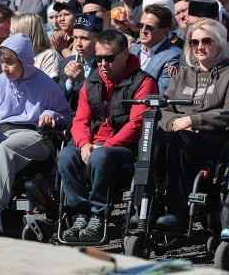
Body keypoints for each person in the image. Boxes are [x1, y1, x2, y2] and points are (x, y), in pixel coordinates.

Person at [0, 33, 72, 233]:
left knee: (7, 149)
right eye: (2, 62)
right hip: (1, 132)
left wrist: (51, 114)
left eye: (9, 63)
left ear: (24, 61)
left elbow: (66, 115)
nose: (4, 68)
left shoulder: (46, 84)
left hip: (35, 135)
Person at [57, 30, 158, 242]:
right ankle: (81, 213)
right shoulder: (91, 82)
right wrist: (84, 144)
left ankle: (98, 214)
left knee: (100, 156)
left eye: (109, 58)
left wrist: (105, 146)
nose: (103, 64)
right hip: (93, 145)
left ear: (125, 53)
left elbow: (137, 124)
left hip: (126, 148)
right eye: (99, 58)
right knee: (66, 155)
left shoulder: (143, 82)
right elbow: (80, 120)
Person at [154, 18, 229, 231]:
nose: (199, 47)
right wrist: (175, 123)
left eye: (206, 41)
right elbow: (164, 109)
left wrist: (193, 120)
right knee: (153, 140)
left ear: (219, 43)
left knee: (180, 141)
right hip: (181, 132)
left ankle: (176, 212)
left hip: (216, 137)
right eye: (194, 42)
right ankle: (147, 208)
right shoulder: (183, 75)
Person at [129, 4, 181, 94]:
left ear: (165, 31)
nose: (143, 31)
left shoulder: (174, 56)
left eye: (149, 27)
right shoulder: (133, 50)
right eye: (140, 25)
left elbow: (160, 94)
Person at [59, 14, 102, 111]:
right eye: (75, 38)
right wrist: (70, 81)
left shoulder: (105, 65)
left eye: (84, 38)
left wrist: (82, 80)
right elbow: (58, 97)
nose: (78, 44)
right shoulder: (67, 62)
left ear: (97, 40)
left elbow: (99, 98)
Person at [10, 13, 62, 81]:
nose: (10, 36)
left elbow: (49, 89)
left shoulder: (49, 56)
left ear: (26, 34)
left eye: (13, 33)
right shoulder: (16, 58)